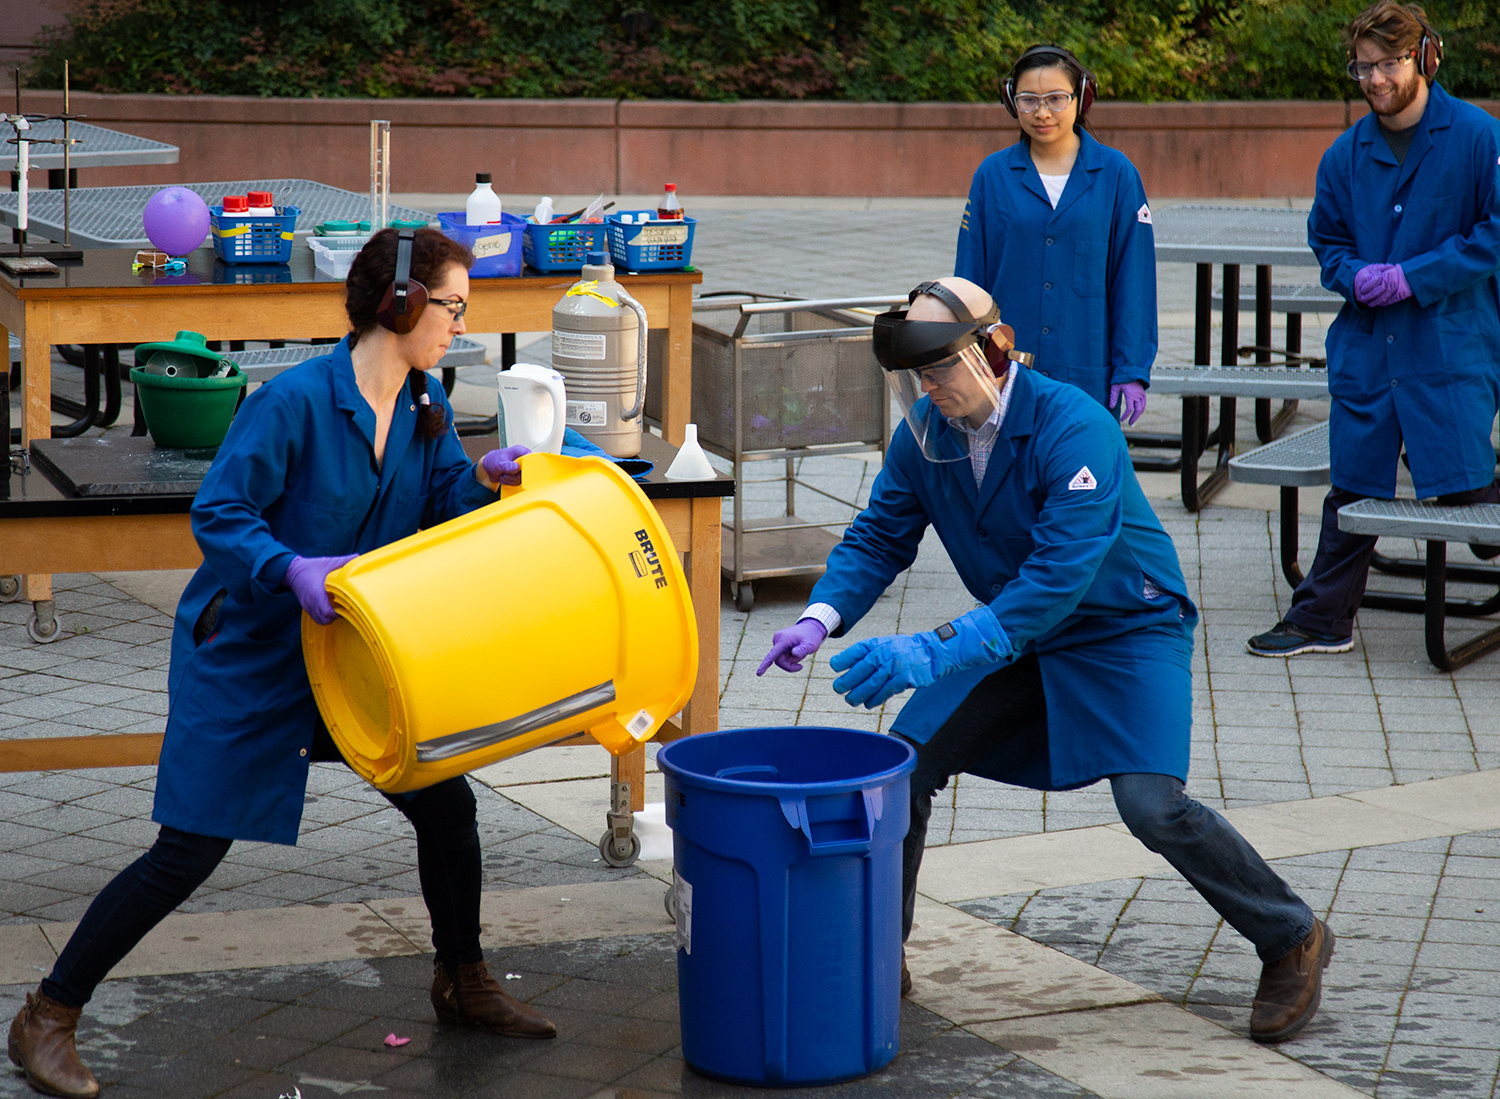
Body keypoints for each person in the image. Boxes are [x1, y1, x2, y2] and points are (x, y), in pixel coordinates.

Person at [7, 228, 553, 1099]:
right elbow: (220, 513)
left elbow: (441, 499)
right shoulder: (292, 402)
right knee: (186, 850)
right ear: (401, 304)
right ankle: (48, 1011)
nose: (460, 323)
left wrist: (487, 480)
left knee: (445, 803)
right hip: (251, 656)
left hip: (346, 660)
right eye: (452, 306)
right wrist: (288, 567)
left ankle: (464, 979)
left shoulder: (424, 406)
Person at [759, 277, 1335, 1044]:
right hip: (1014, 632)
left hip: (1125, 627)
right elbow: (879, 534)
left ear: (994, 351)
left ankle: (1291, 934)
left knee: (1152, 804)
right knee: (906, 763)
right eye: (916, 377)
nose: (927, 391)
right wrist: (817, 614)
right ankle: (875, 954)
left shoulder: (1075, 426)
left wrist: (932, 650)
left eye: (939, 370)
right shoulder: (927, 433)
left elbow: (1059, 576)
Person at [1247, 2, 1500, 657]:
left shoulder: (1478, 138)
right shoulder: (1345, 153)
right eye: (1363, 66)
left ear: (1424, 57)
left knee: (1466, 480)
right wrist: (1352, 273)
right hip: (1366, 345)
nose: (1375, 78)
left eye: (1388, 62)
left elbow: (1493, 232)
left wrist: (1415, 276)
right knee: (1355, 484)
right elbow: (1327, 236)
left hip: (1449, 343)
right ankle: (1322, 618)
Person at [955, 44, 1156, 426]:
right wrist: (967, 360)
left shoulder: (1117, 175)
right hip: (1007, 372)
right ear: (1012, 101)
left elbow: (1135, 280)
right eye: (1028, 99)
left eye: (1056, 99)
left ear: (1082, 97)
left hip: (1087, 373)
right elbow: (969, 279)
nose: (1042, 112)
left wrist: (1131, 368)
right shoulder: (991, 176)